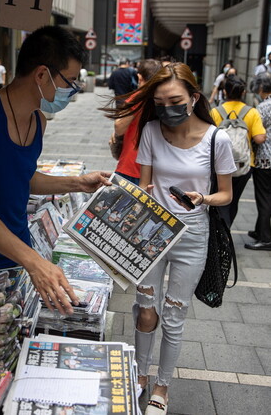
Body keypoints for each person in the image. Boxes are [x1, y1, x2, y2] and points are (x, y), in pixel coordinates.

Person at [0, 26, 111, 316]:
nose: (73, 90)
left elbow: (22, 178)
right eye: (70, 81)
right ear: (42, 75)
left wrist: (78, 183)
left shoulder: (39, 121)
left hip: (12, 257)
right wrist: (34, 261)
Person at [111, 62, 236, 414]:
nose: (168, 109)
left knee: (174, 315)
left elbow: (225, 193)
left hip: (193, 234)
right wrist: (140, 195)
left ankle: (162, 386)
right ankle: (139, 374)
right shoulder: (151, 130)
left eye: (176, 101)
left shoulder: (217, 139)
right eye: (161, 102)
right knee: (146, 312)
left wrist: (204, 198)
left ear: (194, 97)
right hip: (152, 231)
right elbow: (144, 182)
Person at [211, 76, 266, 227]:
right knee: (233, 201)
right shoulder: (252, 112)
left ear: (225, 92)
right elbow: (260, 138)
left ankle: (220, 231)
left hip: (218, 165)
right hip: (244, 165)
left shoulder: (215, 112)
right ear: (243, 93)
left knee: (220, 198)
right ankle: (227, 229)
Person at [109, 59, 162, 185]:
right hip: (157, 169)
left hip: (132, 165)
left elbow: (119, 126)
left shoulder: (137, 98)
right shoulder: (164, 98)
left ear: (139, 77)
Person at [244, 72, 271, 251]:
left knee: (264, 199)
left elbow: (257, 134)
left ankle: (265, 238)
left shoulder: (263, 107)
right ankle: (260, 230)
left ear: (261, 88)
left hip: (265, 159)